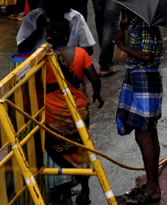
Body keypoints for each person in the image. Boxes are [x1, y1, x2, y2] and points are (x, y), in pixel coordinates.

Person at [42, 19, 103, 205]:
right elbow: (94, 78)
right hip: (78, 111)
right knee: (81, 148)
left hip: (53, 114)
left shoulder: (44, 58)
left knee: (57, 152)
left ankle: (66, 196)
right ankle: (85, 191)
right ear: (68, 36)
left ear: (48, 37)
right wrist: (98, 95)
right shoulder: (81, 53)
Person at [114, 8, 165, 205]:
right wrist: (125, 23)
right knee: (149, 133)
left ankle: (152, 186)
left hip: (144, 78)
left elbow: (147, 56)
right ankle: (153, 185)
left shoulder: (145, 24)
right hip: (141, 78)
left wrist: (122, 46)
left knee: (144, 134)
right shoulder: (138, 22)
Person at [17, 0, 96, 54]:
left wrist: (67, 53)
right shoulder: (33, 17)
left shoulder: (76, 17)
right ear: (45, 4)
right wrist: (38, 31)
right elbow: (21, 49)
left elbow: (88, 49)